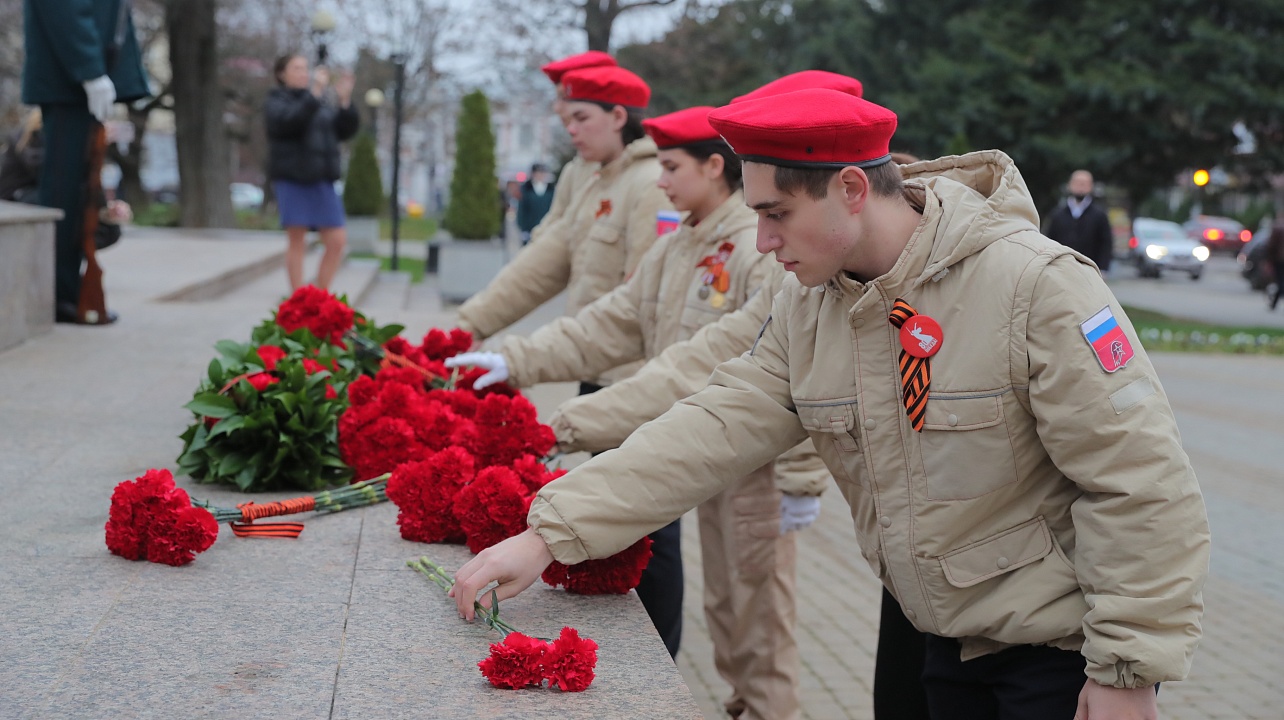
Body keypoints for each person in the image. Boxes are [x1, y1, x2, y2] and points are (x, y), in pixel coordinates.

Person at [451, 89, 1210, 720]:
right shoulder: (811, 307)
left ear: (850, 188)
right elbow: (713, 423)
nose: (763, 240)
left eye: (776, 213)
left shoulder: (1034, 286)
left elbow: (1139, 482)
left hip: (1058, 663)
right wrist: (548, 533)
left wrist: (1126, 671)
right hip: (936, 642)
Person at [448, 105, 829, 718]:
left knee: (758, 626)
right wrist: (515, 358)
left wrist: (559, 426)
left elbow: (697, 368)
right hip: (701, 441)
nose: (660, 179)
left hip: (758, 458)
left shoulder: (753, 249)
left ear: (714, 167)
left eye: (672, 166)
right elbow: (614, 322)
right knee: (729, 612)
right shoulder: (682, 241)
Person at [454, 65, 672, 393]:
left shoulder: (652, 185)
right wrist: (467, 327)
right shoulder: (598, 179)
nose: (570, 129)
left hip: (629, 379)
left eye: (581, 118)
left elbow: (643, 302)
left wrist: (526, 358)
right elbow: (545, 264)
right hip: (593, 364)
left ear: (617, 117)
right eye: (568, 120)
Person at [22, 0, 150, 324]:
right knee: (65, 190)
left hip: (73, 80)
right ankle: (58, 291)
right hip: (70, 82)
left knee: (78, 192)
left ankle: (66, 288)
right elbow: (63, 9)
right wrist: (88, 69)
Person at [265, 53, 359, 291]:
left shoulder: (318, 104)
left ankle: (321, 295)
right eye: (296, 68)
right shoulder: (277, 101)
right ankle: (298, 298)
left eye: (305, 68)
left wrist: (345, 102)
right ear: (281, 74)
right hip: (293, 178)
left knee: (337, 240)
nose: (303, 73)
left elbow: (343, 130)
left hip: (321, 179)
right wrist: (315, 93)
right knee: (297, 239)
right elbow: (290, 122)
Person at [1, 108, 132, 249]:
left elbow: (86, 183)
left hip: (39, 201)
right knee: (71, 203)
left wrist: (106, 210)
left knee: (105, 226)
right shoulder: (30, 137)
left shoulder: (78, 145)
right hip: (17, 200)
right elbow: (51, 174)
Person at [1045, 170, 1114, 273]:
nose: (1080, 186)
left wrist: (1103, 268)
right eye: (1077, 182)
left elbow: (1105, 243)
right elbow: (1049, 240)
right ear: (1069, 185)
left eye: (1084, 183)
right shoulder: (1057, 215)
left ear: (1091, 186)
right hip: (1061, 269)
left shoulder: (1100, 215)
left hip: (1090, 269)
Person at [516, 163, 555, 245]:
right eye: (538, 173)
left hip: (546, 227)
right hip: (530, 227)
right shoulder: (526, 189)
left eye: (542, 173)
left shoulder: (551, 190)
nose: (540, 175)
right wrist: (523, 228)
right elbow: (522, 210)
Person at [1266, 220, 1284, 310]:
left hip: (1279, 259)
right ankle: (1274, 303)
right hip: (1279, 259)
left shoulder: (1278, 228)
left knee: (1280, 282)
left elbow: (1271, 245)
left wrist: (1269, 259)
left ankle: (1274, 302)